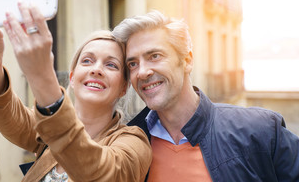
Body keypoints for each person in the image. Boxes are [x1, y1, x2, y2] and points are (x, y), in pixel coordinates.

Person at [0, 0, 152, 182]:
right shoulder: (46, 127)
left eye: (111, 65)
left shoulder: (134, 142)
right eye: (87, 60)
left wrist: (42, 75)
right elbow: (6, 113)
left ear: (123, 87)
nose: (96, 69)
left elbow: (101, 173)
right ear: (72, 77)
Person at [112, 10, 299, 182]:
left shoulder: (262, 132)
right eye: (133, 64)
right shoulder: (126, 147)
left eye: (154, 56)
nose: (142, 72)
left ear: (187, 60)